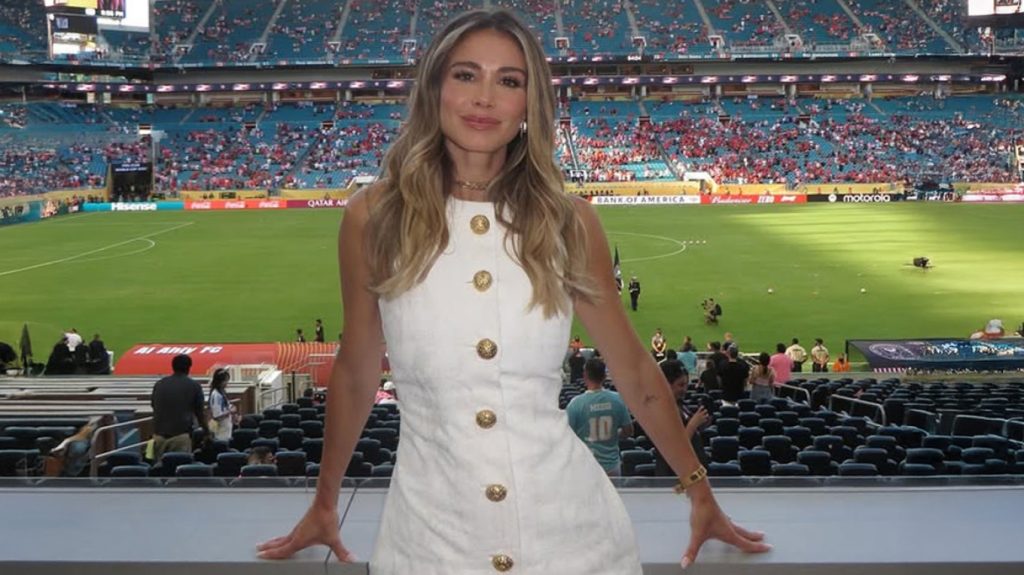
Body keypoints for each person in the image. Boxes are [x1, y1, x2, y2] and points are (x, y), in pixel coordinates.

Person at [257, 10, 768, 573]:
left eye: (508, 80)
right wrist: (324, 502)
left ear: (530, 103)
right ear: (434, 87)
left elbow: (635, 373)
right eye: (465, 74)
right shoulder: (373, 216)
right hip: (427, 544)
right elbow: (356, 371)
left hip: (575, 542)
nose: (485, 97)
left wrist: (699, 492)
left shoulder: (569, 221)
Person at [565, 358, 634, 475]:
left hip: (585, 467)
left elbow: (567, 437)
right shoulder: (617, 399)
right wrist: (614, 435)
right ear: (604, 376)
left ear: (585, 376)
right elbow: (628, 431)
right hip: (612, 466)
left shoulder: (576, 404)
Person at [654, 360, 709, 475]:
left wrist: (701, 422)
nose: (685, 389)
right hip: (674, 475)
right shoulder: (661, 411)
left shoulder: (679, 404)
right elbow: (674, 448)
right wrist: (693, 424)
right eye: (681, 385)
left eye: (686, 384)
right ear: (666, 384)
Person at [150, 354, 207, 461]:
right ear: (189, 367)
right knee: (180, 467)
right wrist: (207, 432)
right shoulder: (193, 386)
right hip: (181, 436)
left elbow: (154, 405)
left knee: (160, 467)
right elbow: (200, 412)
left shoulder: (159, 384)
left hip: (159, 436)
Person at [207, 368, 236, 442]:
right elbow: (217, 416)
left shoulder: (221, 392)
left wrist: (231, 407)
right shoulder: (216, 395)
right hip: (220, 432)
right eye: (225, 381)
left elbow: (225, 406)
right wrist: (230, 411)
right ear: (219, 381)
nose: (227, 383)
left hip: (226, 430)